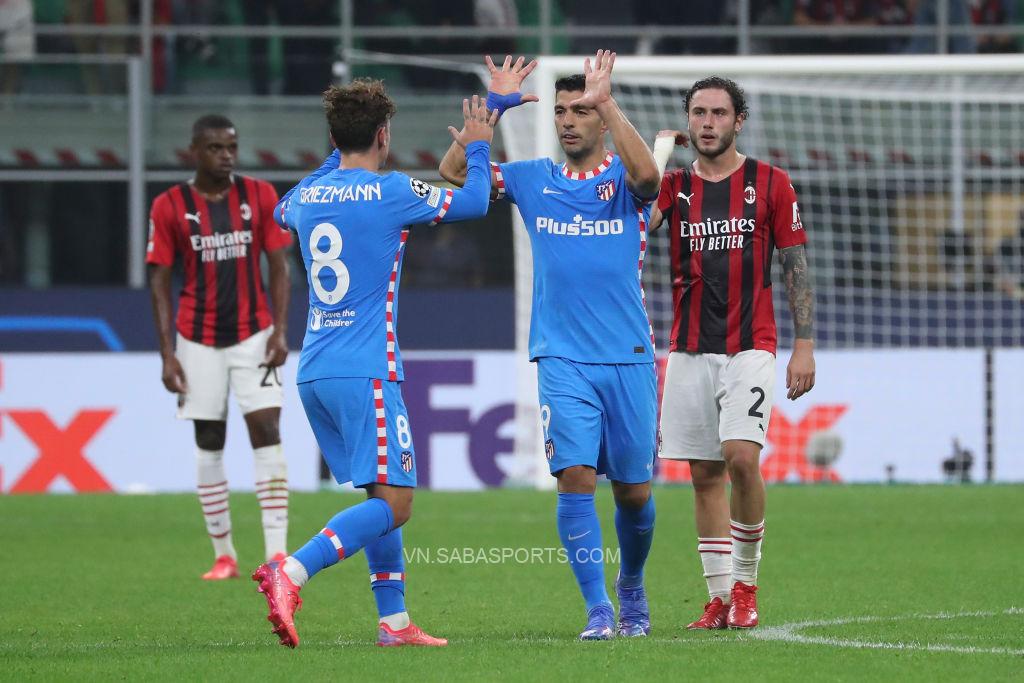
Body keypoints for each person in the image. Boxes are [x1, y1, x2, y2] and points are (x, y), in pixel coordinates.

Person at [251, 80, 497, 648]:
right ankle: (289, 572)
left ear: (334, 138)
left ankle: (393, 624)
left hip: (315, 370)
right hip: (366, 370)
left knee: (379, 497)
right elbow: (476, 200)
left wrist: (336, 152)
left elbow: (286, 208)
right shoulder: (392, 191)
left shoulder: (306, 199)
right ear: (384, 136)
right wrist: (480, 141)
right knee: (399, 504)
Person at [440, 52, 662, 640]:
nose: (568, 120)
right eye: (561, 110)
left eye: (580, 111)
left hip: (630, 356)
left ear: (600, 118)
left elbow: (650, 181)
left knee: (635, 493)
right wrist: (491, 109)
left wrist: (607, 100)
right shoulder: (532, 177)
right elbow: (453, 175)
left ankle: (632, 584)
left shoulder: (623, 179)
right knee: (575, 479)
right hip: (562, 356)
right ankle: (597, 610)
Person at [648, 76, 816, 629]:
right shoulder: (673, 187)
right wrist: (653, 161)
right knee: (702, 475)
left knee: (741, 457)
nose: (708, 123)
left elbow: (795, 266)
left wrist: (804, 345)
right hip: (690, 349)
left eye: (719, 113)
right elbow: (637, 225)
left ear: (738, 120)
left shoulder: (771, 182)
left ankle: (746, 584)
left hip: (751, 345)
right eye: (698, 113)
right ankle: (719, 597)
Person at [147, 114, 292, 581]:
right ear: (194, 151)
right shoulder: (170, 206)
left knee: (267, 431)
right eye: (215, 147)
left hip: (255, 334)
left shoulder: (260, 195)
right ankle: (224, 554)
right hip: (197, 339)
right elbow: (159, 279)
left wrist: (280, 329)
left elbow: (279, 265)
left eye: (231, 146)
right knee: (209, 440)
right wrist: (168, 353)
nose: (226, 154)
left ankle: (275, 555)